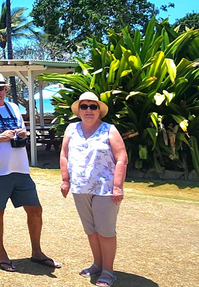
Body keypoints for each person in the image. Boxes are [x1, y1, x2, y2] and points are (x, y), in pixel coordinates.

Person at [0, 73, 60, 273]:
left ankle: (37, 252)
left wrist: (23, 133)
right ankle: (1, 254)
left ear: (5, 90)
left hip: (20, 168)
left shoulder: (14, 108)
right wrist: (0, 137)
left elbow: (22, 130)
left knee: (35, 210)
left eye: (0, 88)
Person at [60, 92, 127, 287]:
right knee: (91, 230)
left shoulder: (109, 130)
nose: (88, 110)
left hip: (105, 189)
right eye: (84, 106)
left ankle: (108, 270)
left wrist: (118, 186)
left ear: (99, 110)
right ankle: (97, 264)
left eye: (93, 106)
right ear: (79, 110)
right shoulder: (71, 129)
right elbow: (64, 155)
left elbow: (122, 157)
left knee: (105, 231)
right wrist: (65, 180)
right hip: (80, 188)